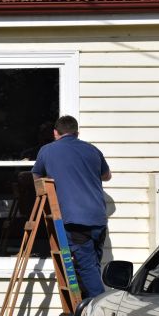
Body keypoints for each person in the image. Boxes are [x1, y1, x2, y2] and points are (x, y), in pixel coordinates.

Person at [32, 115, 111, 298]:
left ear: (55, 133)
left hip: (75, 220)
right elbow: (107, 176)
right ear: (77, 133)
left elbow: (36, 178)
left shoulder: (47, 151)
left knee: (87, 268)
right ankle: (86, 307)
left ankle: (98, 311)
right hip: (98, 218)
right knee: (93, 266)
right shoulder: (92, 150)